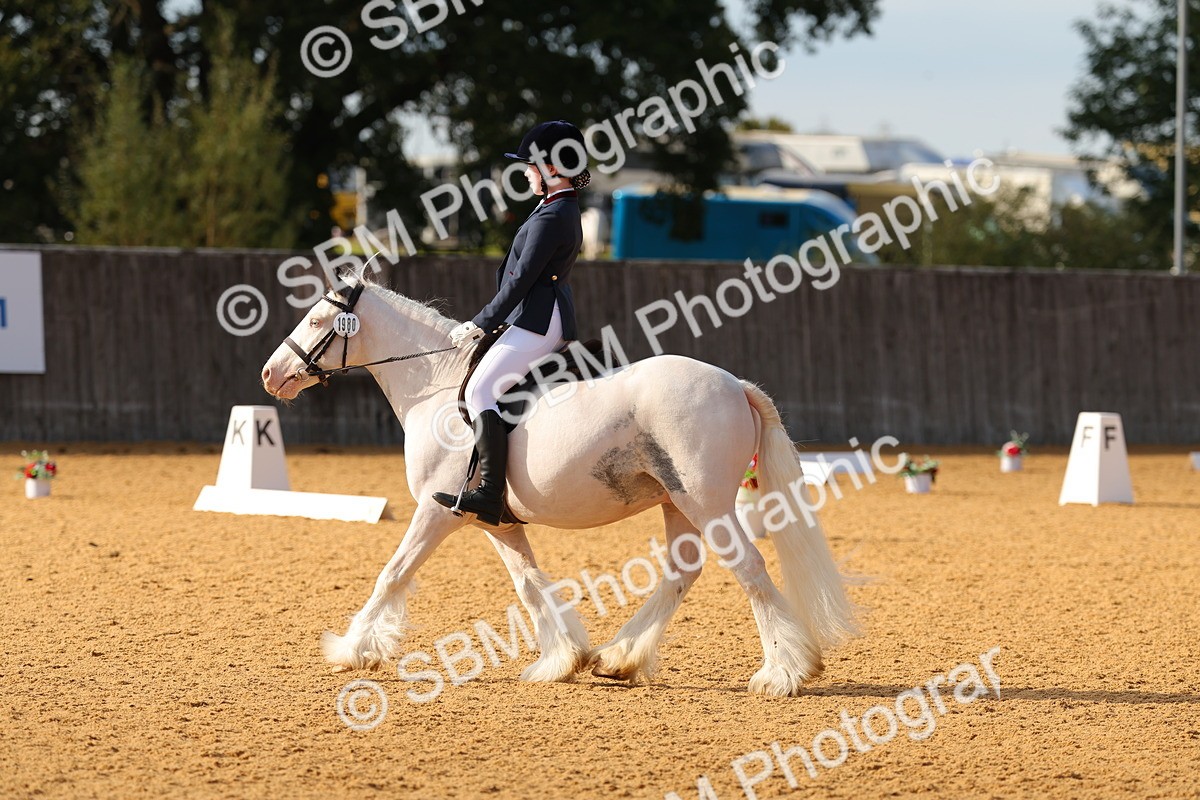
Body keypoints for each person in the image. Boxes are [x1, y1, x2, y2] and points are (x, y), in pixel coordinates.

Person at [432, 120, 590, 525]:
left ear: (552, 168)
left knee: (480, 389)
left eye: (531, 166)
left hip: (537, 318)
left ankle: (488, 492)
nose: (525, 173)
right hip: (538, 313)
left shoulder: (553, 214)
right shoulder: (555, 206)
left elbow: (521, 281)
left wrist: (481, 323)